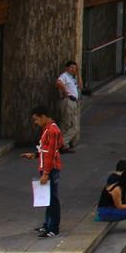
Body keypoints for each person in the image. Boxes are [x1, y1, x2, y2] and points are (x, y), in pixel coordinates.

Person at [23, 107, 63, 238]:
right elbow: (47, 149)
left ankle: (53, 228)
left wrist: (46, 173)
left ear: (43, 116)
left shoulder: (52, 130)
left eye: (36, 119)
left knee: (52, 199)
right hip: (46, 167)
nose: (36, 122)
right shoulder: (48, 129)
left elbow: (51, 153)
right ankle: (47, 224)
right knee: (48, 198)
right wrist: (35, 154)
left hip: (50, 169)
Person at [56, 61, 81, 151]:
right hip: (68, 101)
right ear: (67, 68)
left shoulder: (73, 78)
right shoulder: (64, 76)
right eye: (71, 67)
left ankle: (63, 143)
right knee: (66, 124)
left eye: (74, 68)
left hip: (74, 102)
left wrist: (78, 73)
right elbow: (58, 82)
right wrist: (65, 92)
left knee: (74, 126)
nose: (73, 69)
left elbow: (80, 86)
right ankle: (62, 144)